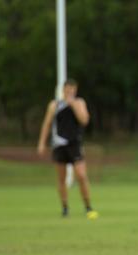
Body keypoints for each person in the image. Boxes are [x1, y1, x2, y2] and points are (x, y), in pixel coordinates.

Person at [37, 79, 98, 219]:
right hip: (59, 145)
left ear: (76, 90)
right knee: (61, 178)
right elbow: (46, 124)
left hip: (75, 144)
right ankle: (65, 208)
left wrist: (73, 105)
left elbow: (84, 120)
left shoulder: (80, 103)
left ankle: (88, 206)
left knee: (81, 175)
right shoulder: (54, 105)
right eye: (68, 89)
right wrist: (41, 143)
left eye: (73, 89)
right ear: (63, 90)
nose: (70, 91)